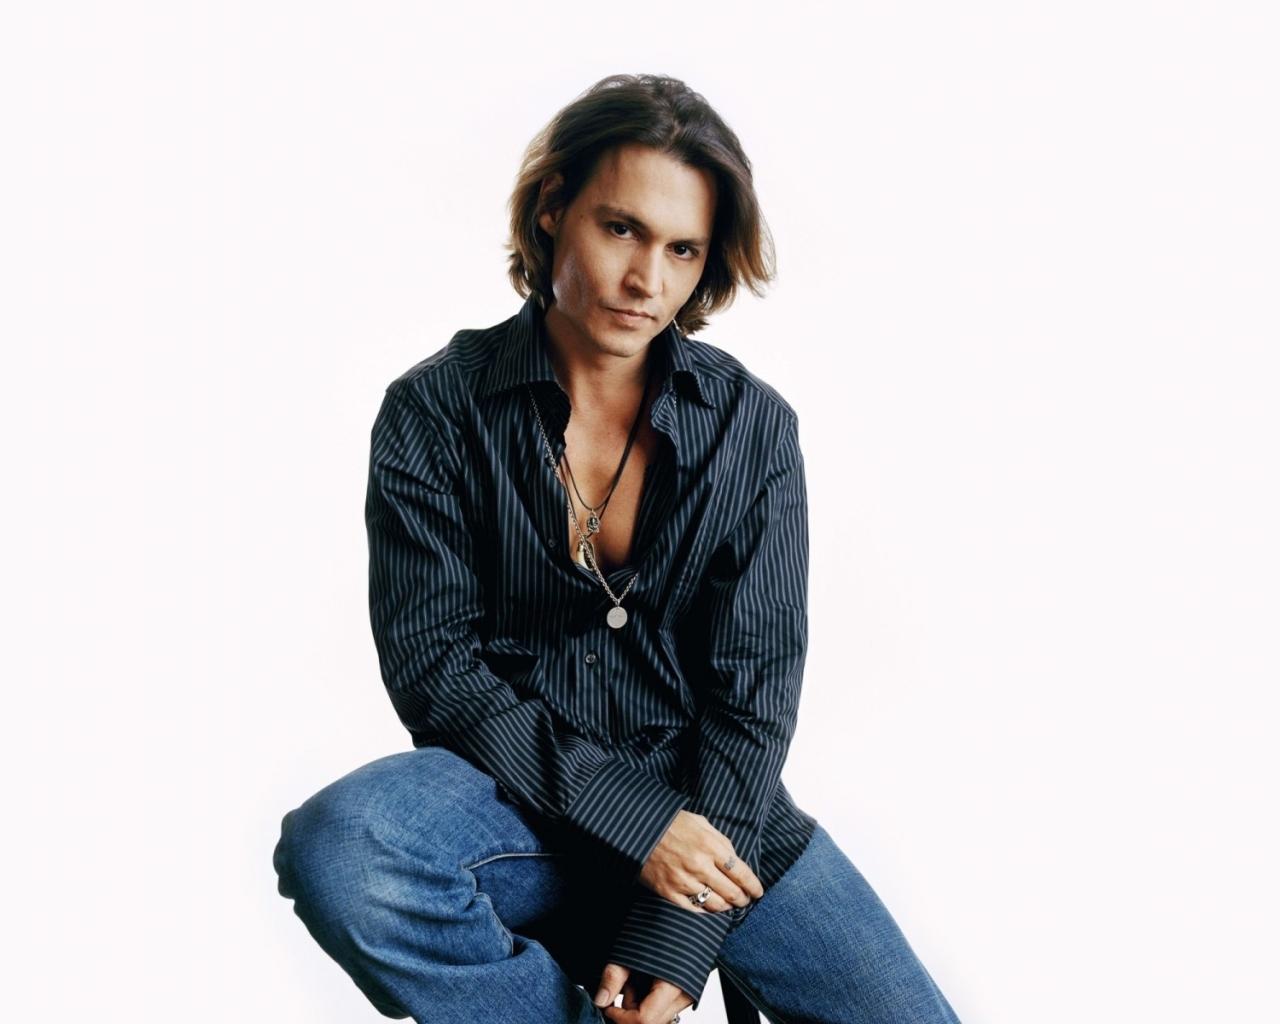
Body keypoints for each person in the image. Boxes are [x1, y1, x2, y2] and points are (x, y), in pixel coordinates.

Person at [272, 73, 963, 1024]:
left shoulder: (751, 430)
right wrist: (636, 824)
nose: (647, 282)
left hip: (718, 816)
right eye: (621, 229)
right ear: (553, 209)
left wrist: (677, 930)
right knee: (348, 848)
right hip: (511, 800)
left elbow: (754, 697)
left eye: (682, 249)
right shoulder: (434, 411)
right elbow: (437, 672)